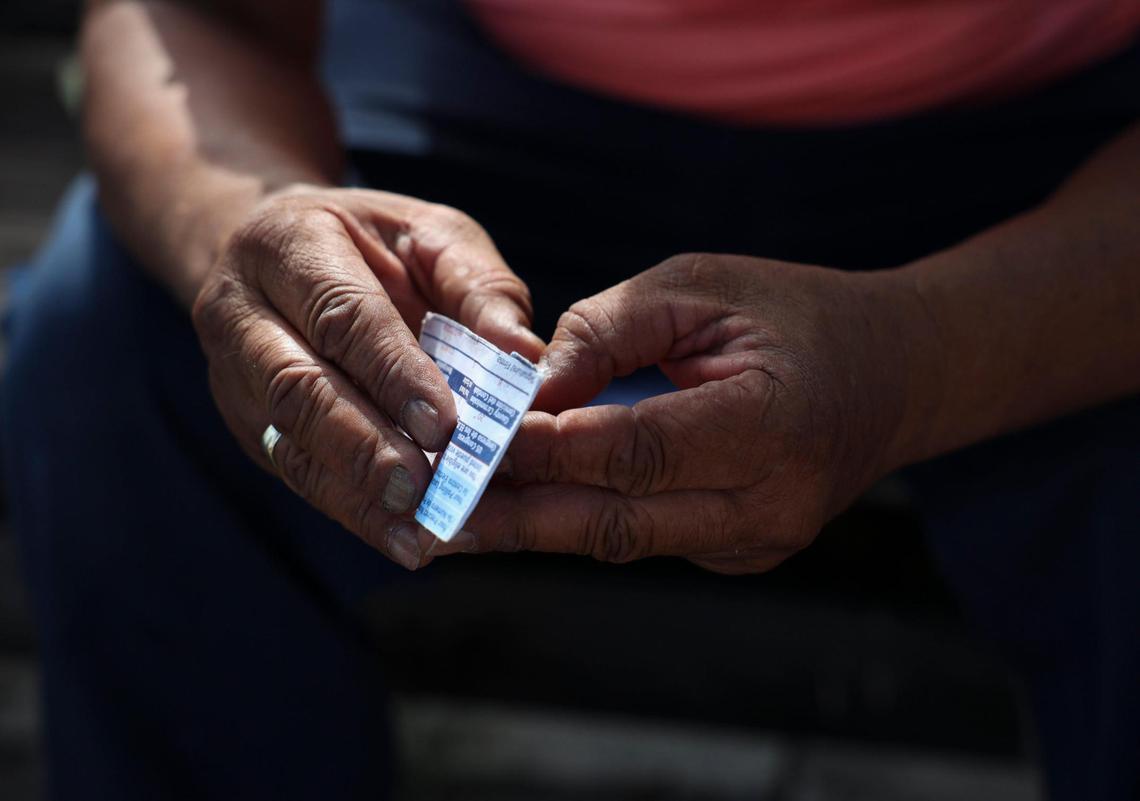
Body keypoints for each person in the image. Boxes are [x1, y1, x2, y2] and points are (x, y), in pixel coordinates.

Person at [3, 0, 1138, 799]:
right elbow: (193, 22)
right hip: (493, 88)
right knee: (110, 353)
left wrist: (930, 357)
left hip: (1059, 139)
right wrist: (243, 231)